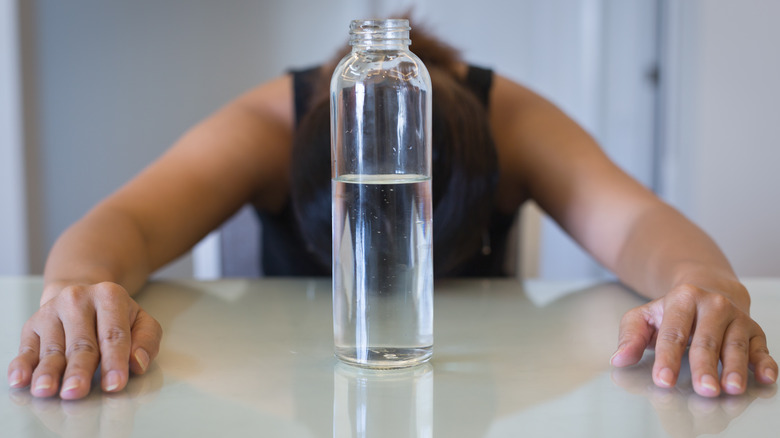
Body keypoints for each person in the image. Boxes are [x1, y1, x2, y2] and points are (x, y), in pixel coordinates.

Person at [7, 24, 777, 401]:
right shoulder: (270, 122)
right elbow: (127, 225)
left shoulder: (507, 118)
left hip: (467, 390)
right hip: (311, 387)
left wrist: (702, 283)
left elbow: (640, 224)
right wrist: (77, 288)